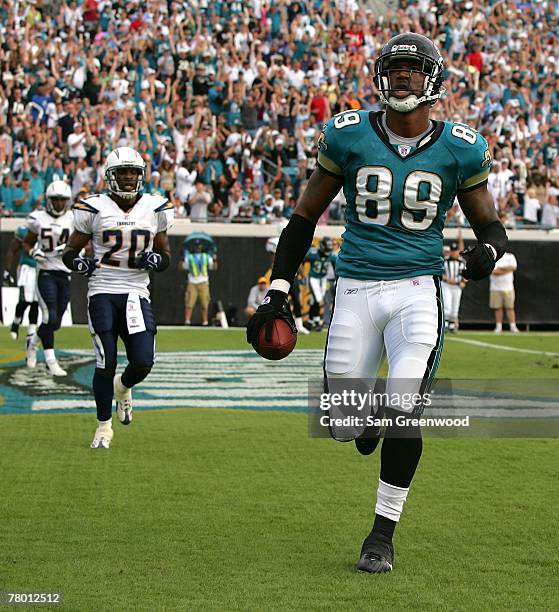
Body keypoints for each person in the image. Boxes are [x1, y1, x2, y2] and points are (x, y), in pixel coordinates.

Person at [247, 33, 507, 574]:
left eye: (414, 70)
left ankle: (381, 534)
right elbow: (303, 217)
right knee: (345, 423)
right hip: (356, 288)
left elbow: (492, 228)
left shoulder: (460, 145)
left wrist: (488, 251)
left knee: (405, 406)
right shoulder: (348, 134)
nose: (404, 78)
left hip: (417, 290)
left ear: (432, 79)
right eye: (396, 69)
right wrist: (278, 287)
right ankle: (366, 422)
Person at [62, 147, 174, 449]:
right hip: (102, 290)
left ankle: (123, 389)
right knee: (105, 361)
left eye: (133, 173)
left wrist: (154, 260)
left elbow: (166, 256)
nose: (128, 179)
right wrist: (80, 264)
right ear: (110, 176)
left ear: (141, 176)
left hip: (136, 293)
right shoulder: (94, 208)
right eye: (122, 173)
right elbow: (69, 252)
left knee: (143, 361)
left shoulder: (154, 207)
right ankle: (103, 427)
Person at [22, 180, 74, 375]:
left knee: (56, 322)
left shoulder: (73, 218)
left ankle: (32, 343)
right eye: (56, 200)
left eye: (62, 200)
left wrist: (70, 249)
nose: (59, 204)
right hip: (45, 272)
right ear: (48, 200)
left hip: (64, 272)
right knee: (48, 316)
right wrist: (33, 252)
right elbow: (26, 243)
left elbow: (87, 246)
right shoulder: (38, 218)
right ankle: (51, 361)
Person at [2, 225, 39, 345]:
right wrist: (7, 270)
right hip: (26, 269)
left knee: (36, 302)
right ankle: (15, 323)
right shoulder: (24, 231)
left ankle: (31, 332)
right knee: (25, 300)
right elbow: (12, 250)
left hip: (41, 269)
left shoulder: (50, 228)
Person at [305, 236, 337, 331]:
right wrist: (302, 274)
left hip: (323, 278)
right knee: (318, 299)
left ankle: (311, 321)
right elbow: (302, 260)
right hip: (313, 278)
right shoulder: (313, 253)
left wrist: (336, 278)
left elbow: (335, 266)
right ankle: (317, 321)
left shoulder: (331, 255)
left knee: (314, 300)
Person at [182, 239, 214, 326]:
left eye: (199, 246)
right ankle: (187, 321)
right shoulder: (189, 257)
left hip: (203, 282)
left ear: (201, 247)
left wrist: (215, 259)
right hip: (192, 282)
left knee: (205, 303)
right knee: (189, 303)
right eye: (196, 246)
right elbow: (184, 267)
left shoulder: (206, 256)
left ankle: (205, 321)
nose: (198, 248)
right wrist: (182, 259)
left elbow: (212, 267)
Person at [489, 251, 519, 333]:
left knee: (510, 307)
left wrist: (500, 269)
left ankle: (513, 327)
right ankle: (499, 327)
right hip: (495, 288)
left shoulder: (510, 256)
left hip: (508, 288)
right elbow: (493, 271)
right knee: (497, 308)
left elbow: (513, 267)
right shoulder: (492, 258)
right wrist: (506, 270)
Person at [442, 239, 466, 332]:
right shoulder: (445, 261)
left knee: (455, 306)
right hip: (446, 285)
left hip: (457, 286)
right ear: (450, 252)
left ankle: (452, 325)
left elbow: (466, 274)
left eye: (456, 251)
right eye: (453, 251)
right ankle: (445, 324)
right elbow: (440, 273)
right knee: (447, 305)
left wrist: (464, 282)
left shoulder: (462, 262)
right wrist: (447, 279)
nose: (454, 253)